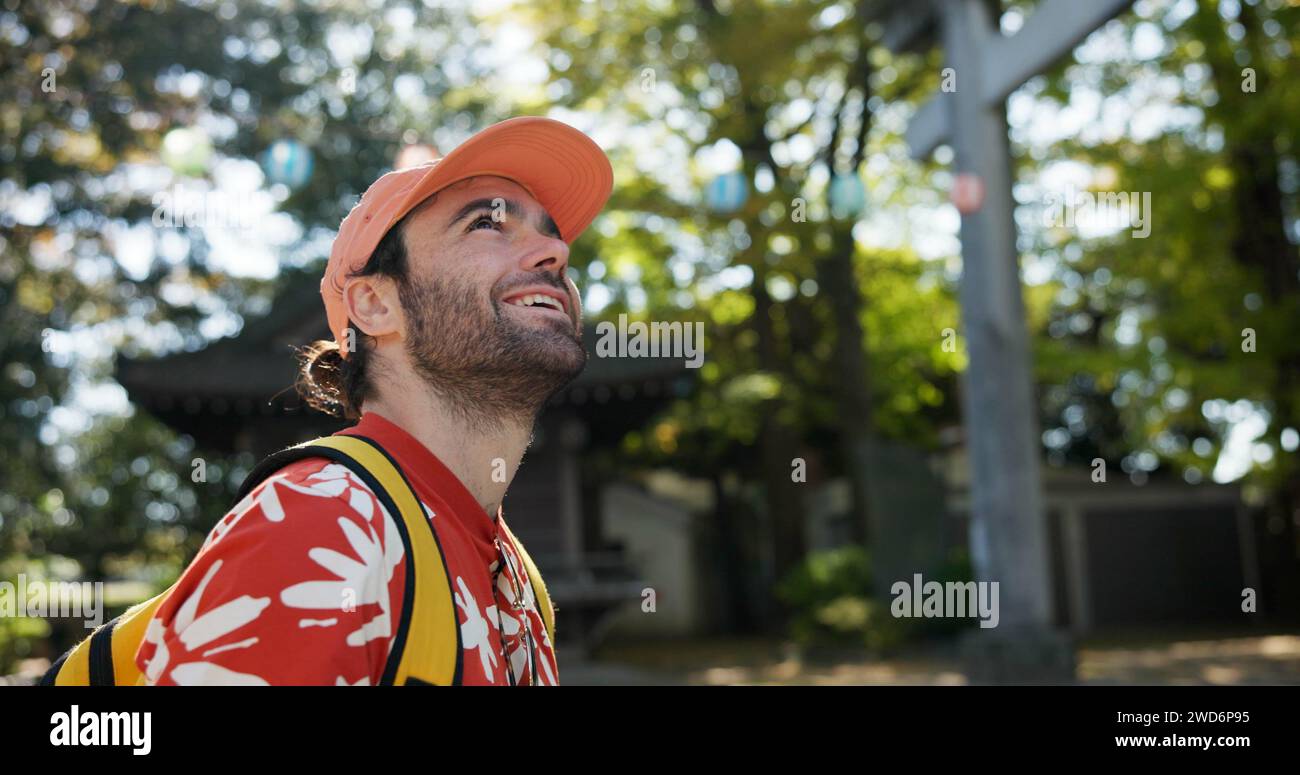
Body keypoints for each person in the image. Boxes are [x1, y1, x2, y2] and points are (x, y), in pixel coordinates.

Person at [132, 117, 613, 685]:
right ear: (376, 306)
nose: (555, 250)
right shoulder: (319, 527)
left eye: (551, 232)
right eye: (487, 223)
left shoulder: (516, 574)